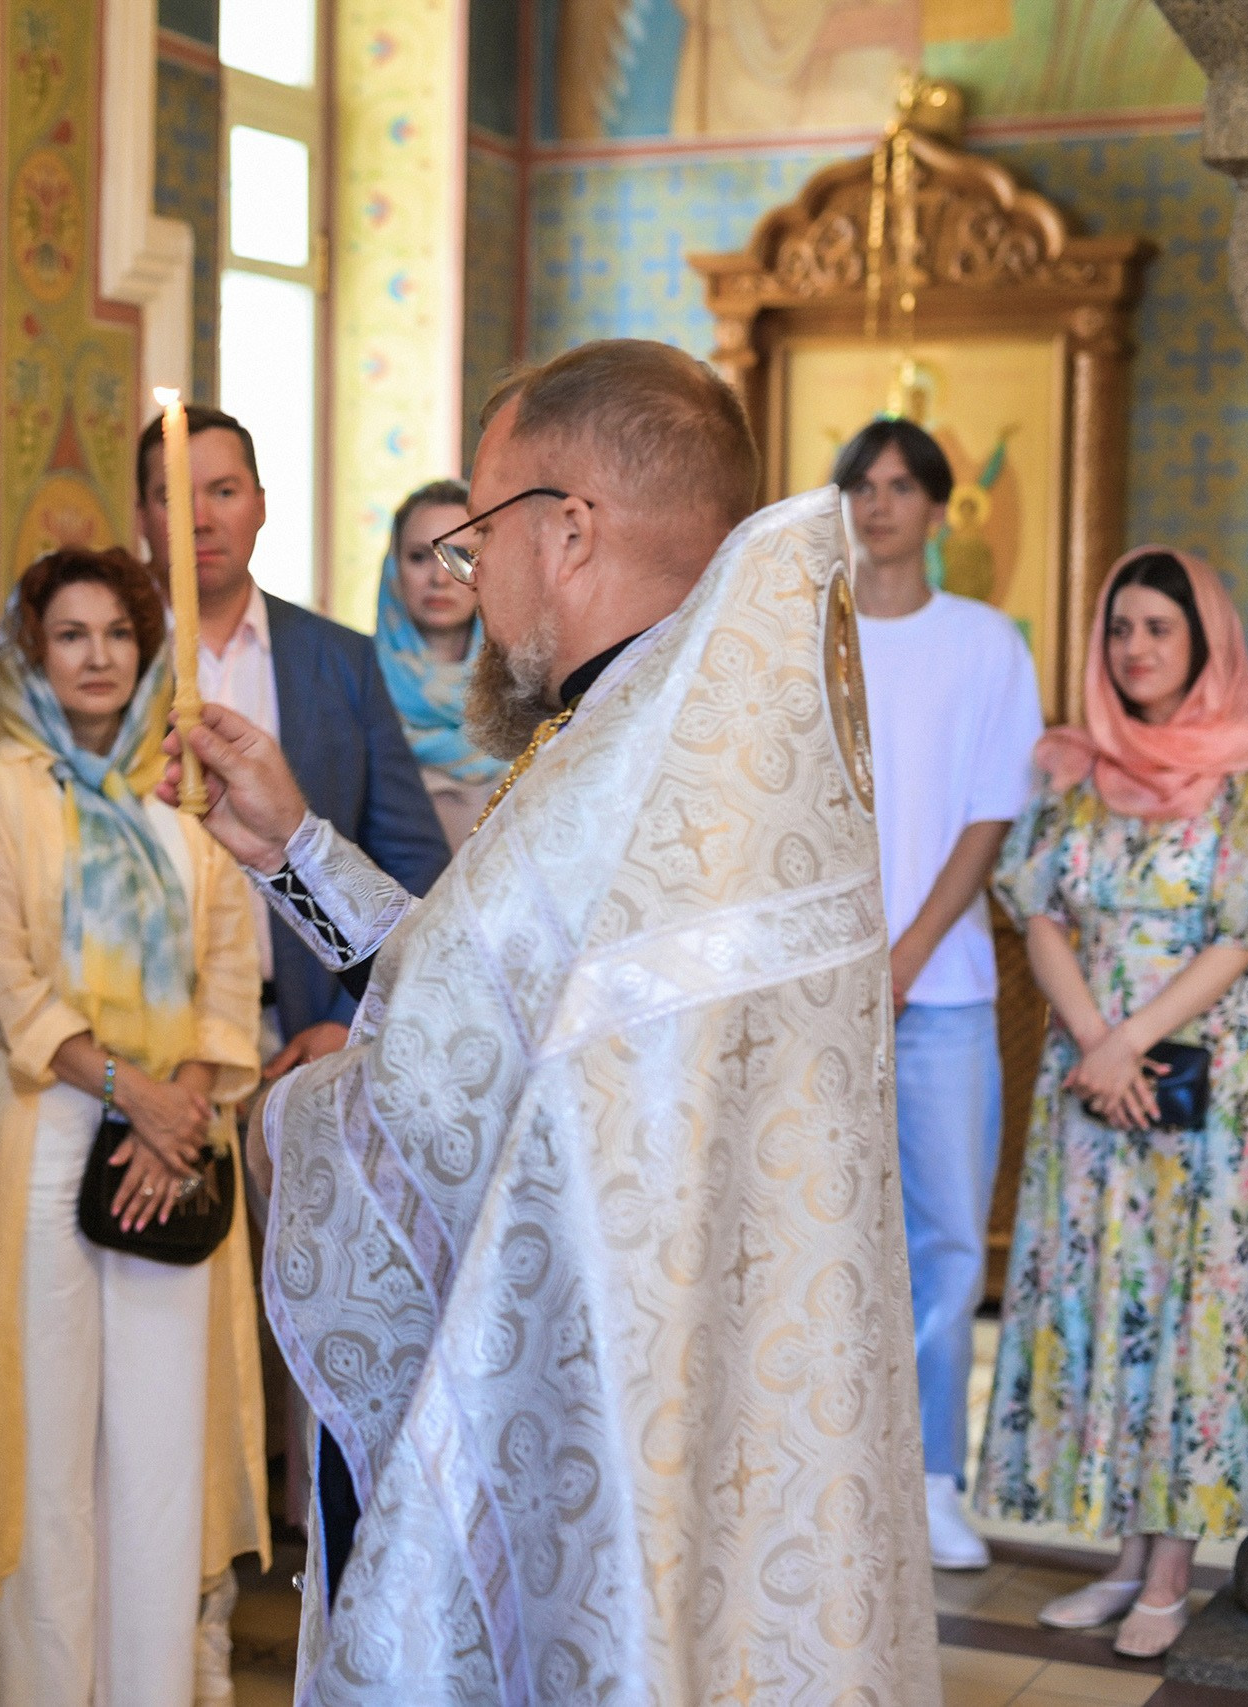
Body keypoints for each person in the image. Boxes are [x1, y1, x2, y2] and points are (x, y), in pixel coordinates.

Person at [170, 340, 936, 1699]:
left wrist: (289, 1105)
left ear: (567, 527)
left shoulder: (619, 768)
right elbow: (498, 1004)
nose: (469, 579)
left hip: (607, 1408)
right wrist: (294, 846)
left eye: (476, 533)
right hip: (713, 1411)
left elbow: (434, 1092)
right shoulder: (691, 741)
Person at [0, 547, 268, 1704]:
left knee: (158, 1458)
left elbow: (232, 973)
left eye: (117, 636)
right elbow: (4, 986)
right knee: (43, 1465)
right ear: (31, 654)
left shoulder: (185, 802)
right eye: (68, 635)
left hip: (173, 1153)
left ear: (147, 654)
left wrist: (175, 1109)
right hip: (48, 1144)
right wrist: (136, 1096)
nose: (95, 657)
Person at [979, 547, 1248, 1658]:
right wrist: (1090, 1039)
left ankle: (1173, 1564)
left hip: (1204, 1079)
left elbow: (1242, 934)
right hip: (1090, 1082)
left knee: (1188, 1312)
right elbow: (1040, 915)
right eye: (1118, 628)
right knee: (1106, 1302)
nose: (1133, 649)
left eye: (1158, 629)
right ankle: (1125, 1557)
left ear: (1204, 641)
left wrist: (1127, 1038)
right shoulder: (1072, 769)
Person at [835, 417, 1045, 1572]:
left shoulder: (983, 645)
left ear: (936, 507)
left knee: (947, 1241)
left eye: (900, 486)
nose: (878, 506)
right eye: (860, 486)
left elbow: (988, 811)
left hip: (948, 992)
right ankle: (833, 1474)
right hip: (816, 994)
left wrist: (907, 954)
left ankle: (929, 1483)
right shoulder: (809, 640)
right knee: (818, 1236)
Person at [136, 406, 448, 1073]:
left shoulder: (341, 660)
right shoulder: (110, 660)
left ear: (261, 505)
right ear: (142, 517)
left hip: (305, 1032)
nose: (200, 519)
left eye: (224, 491)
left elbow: (413, 855)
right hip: (148, 1041)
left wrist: (350, 1019)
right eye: (172, 496)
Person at [373, 477, 505, 850]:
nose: (438, 578)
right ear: (393, 568)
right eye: (419, 556)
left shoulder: (526, 686)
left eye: (460, 555)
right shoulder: (355, 679)